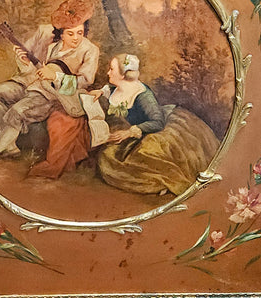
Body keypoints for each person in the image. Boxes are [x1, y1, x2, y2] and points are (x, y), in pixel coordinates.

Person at [0, 0, 99, 174]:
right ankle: (10, 145)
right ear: (61, 34)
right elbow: (33, 71)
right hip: (33, 84)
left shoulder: (90, 50)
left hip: (55, 95)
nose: (76, 38)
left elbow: (85, 81)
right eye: (71, 34)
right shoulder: (52, 45)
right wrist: (24, 62)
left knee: (18, 111)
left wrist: (56, 76)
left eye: (80, 33)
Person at [94, 53, 221, 196]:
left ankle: (166, 181)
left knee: (147, 152)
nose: (108, 72)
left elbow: (158, 122)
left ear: (123, 75)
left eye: (112, 69)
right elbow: (113, 91)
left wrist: (129, 132)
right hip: (139, 131)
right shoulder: (120, 87)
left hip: (161, 129)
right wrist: (100, 92)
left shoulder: (142, 95)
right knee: (108, 156)